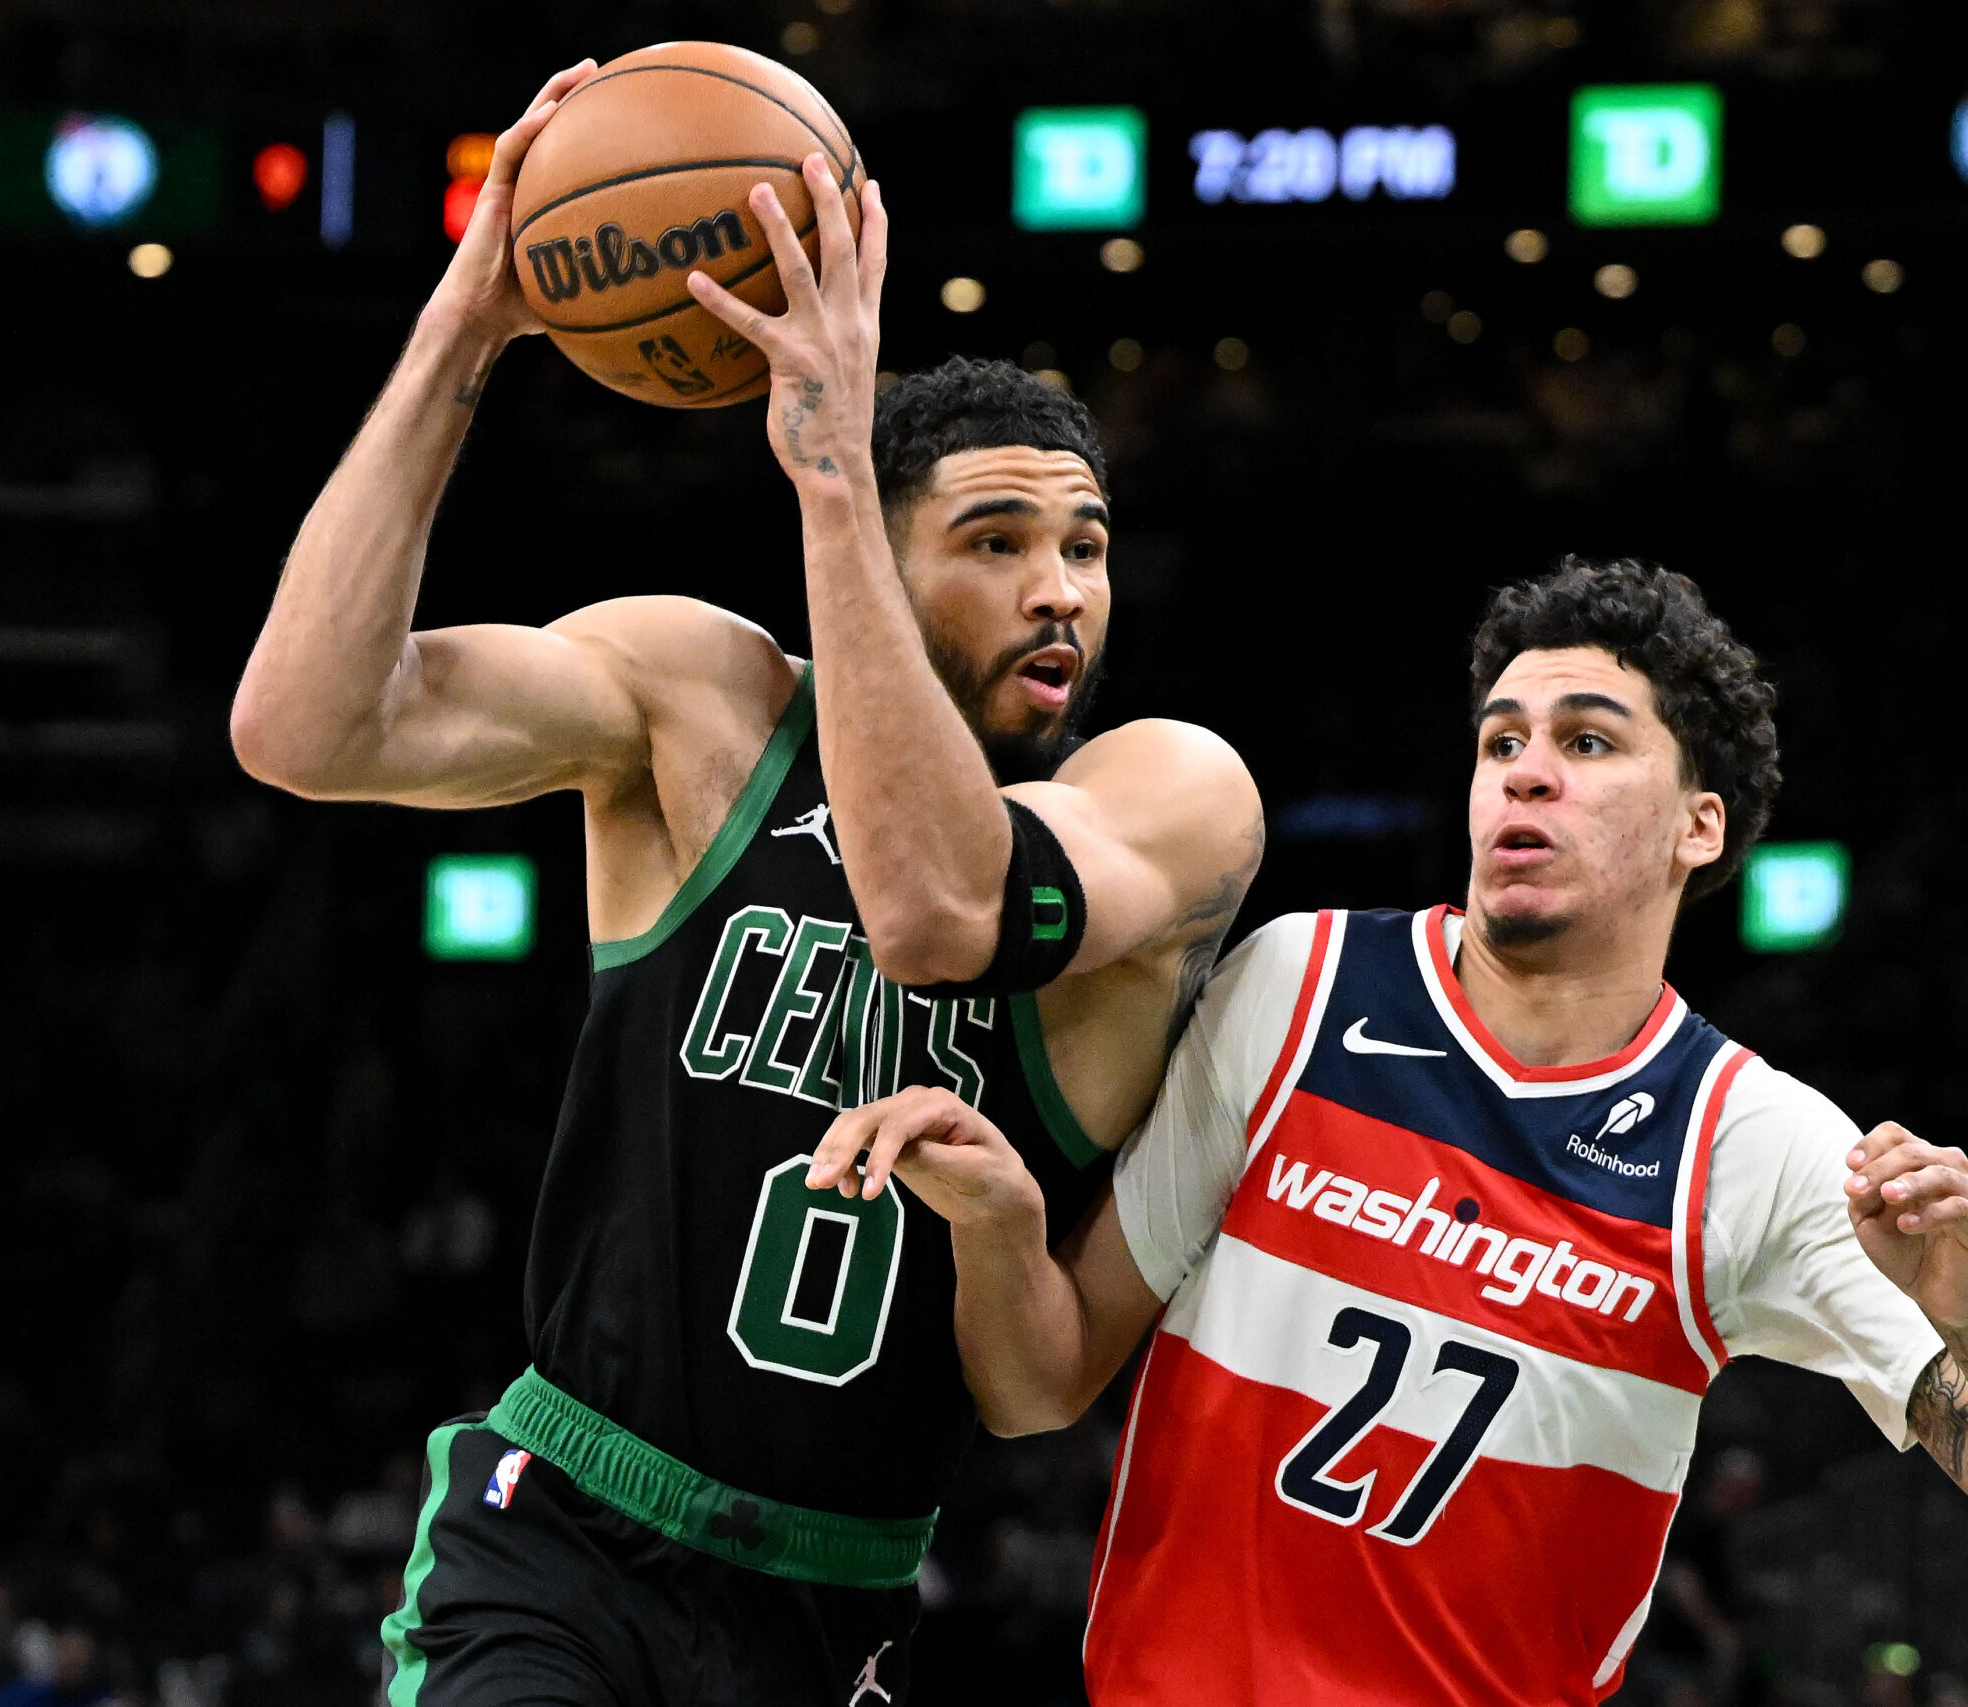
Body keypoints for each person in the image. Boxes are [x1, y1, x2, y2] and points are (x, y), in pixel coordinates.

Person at [226, 68, 1262, 1707]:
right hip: (558, 1528)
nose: (1059, 591)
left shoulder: (1171, 795)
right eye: (994, 542)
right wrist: (465, 333)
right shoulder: (701, 700)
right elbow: (304, 726)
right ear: (888, 550)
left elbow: (936, 909)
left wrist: (838, 474)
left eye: (1087, 545)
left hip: (830, 1598)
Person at [808, 558, 1968, 1705]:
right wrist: (1001, 1220)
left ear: (1698, 826)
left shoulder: (1756, 1147)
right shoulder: (1298, 988)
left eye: (1589, 742)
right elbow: (1040, 1386)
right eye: (1501, 742)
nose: (1525, 774)